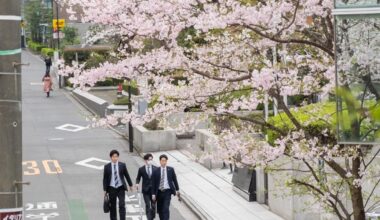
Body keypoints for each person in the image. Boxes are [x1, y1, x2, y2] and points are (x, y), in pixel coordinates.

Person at [103, 150, 133, 220]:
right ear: (111, 157)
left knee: (122, 205)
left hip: (121, 187)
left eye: (116, 156)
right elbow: (105, 179)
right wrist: (104, 189)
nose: (115, 158)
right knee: (112, 207)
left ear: (118, 157)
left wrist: (130, 185)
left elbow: (127, 175)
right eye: (113, 157)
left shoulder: (122, 165)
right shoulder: (107, 167)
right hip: (111, 188)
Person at [151, 154, 180, 220]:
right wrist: (153, 194)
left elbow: (174, 180)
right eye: (162, 161)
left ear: (166, 161)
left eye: (165, 161)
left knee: (166, 208)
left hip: (167, 192)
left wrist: (177, 189)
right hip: (159, 192)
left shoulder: (171, 169)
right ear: (160, 161)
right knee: (160, 209)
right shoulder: (156, 171)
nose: (164, 162)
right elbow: (153, 183)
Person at [135, 153, 157, 220]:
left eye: (151, 159)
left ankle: (152, 217)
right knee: (147, 205)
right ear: (145, 160)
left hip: (153, 191)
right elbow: (138, 178)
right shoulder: (141, 169)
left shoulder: (155, 169)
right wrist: (137, 183)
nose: (150, 161)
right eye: (149, 159)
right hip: (146, 190)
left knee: (153, 206)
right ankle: (148, 218)